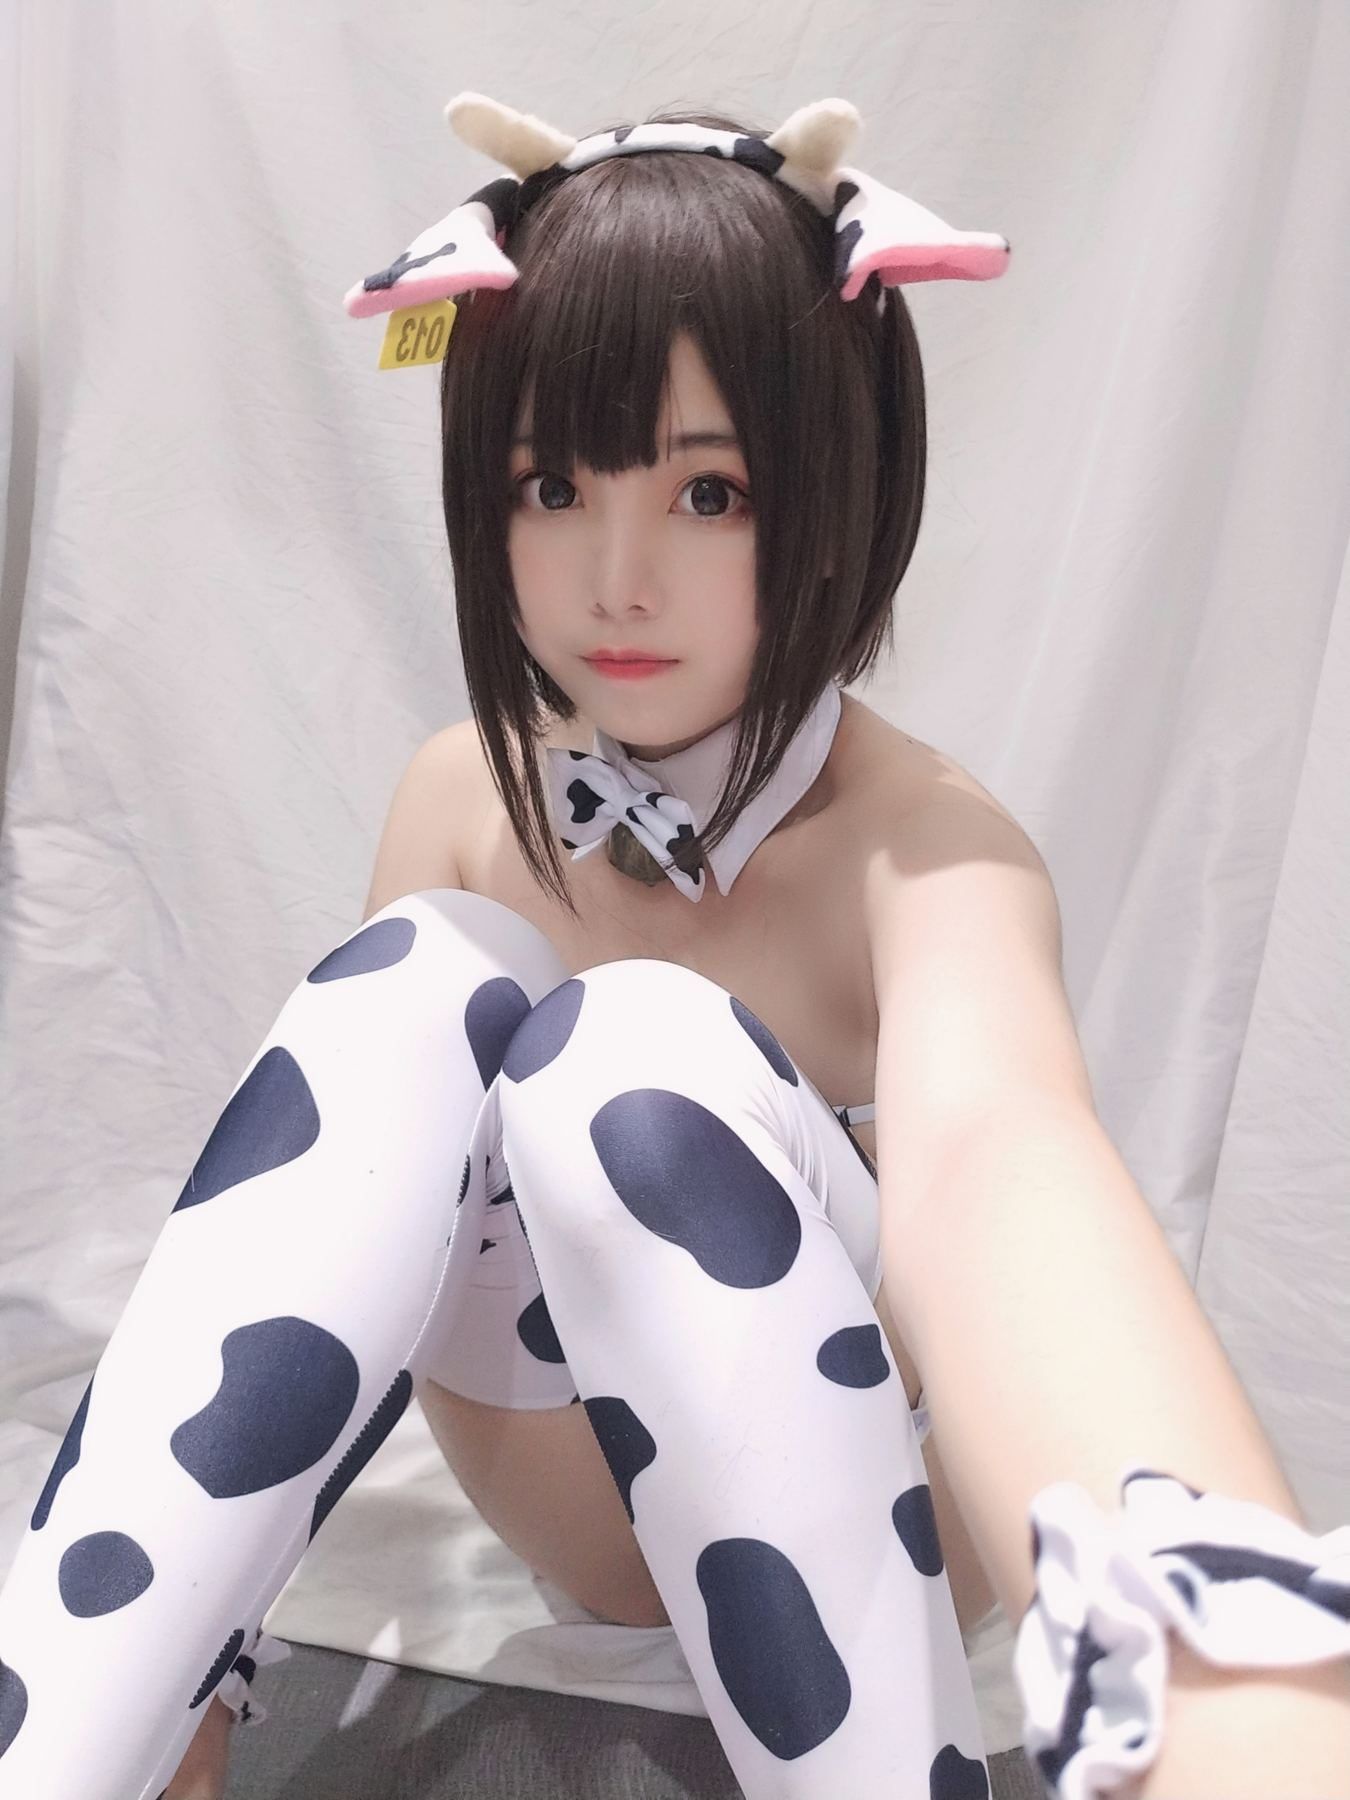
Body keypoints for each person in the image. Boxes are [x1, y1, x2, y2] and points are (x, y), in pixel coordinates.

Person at [3, 91, 1347, 1800]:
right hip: (564, 1510)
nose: (616, 576)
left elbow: (1005, 1173)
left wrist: (1220, 1661)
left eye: (708, 493)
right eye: (552, 485)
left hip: (870, 1529)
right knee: (415, 980)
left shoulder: (927, 855)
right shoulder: (463, 801)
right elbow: (342, 1273)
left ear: (835, 495)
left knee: (627, 1047)